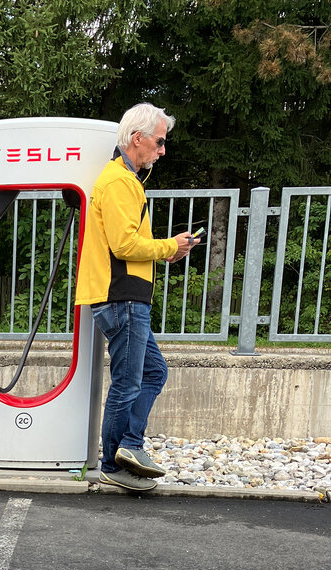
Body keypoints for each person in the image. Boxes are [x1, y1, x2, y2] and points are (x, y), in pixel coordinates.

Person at [75, 103, 199, 491]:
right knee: (129, 382)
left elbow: (128, 243)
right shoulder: (119, 182)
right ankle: (116, 462)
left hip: (127, 297)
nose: (162, 151)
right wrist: (168, 246)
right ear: (137, 139)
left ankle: (128, 447)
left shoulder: (126, 181)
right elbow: (125, 243)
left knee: (153, 372)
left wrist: (170, 250)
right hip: (122, 297)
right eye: (159, 142)